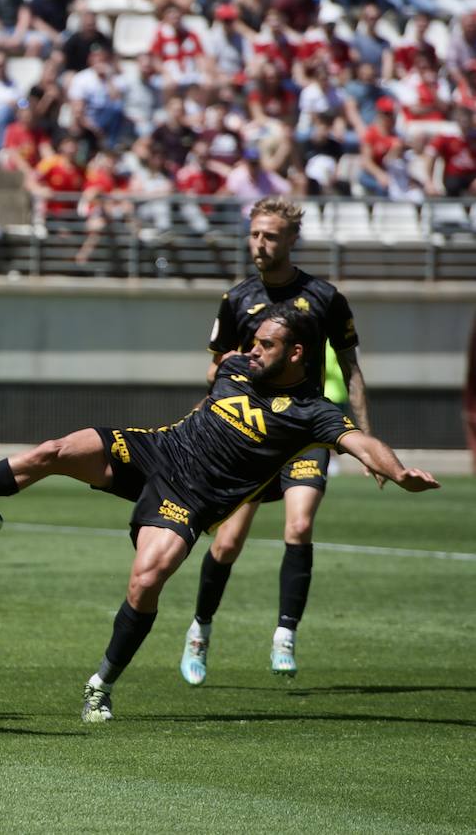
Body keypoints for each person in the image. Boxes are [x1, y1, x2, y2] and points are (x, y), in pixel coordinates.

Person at [0, 305, 439, 723]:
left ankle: (101, 682)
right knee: (55, 451)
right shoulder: (238, 365)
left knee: (146, 579)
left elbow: (361, 442)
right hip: (157, 450)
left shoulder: (313, 413)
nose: (254, 348)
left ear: (295, 353)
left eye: (267, 343)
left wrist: (399, 472)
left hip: (191, 499)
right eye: (255, 340)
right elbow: (217, 379)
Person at [176, 198, 373, 684]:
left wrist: (366, 440)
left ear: (291, 240)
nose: (259, 244)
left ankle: (285, 634)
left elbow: (351, 370)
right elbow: (214, 366)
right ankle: (200, 628)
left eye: (269, 236)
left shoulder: (325, 298)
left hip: (303, 433)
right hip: (247, 436)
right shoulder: (238, 298)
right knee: (227, 543)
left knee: (299, 525)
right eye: (254, 234)